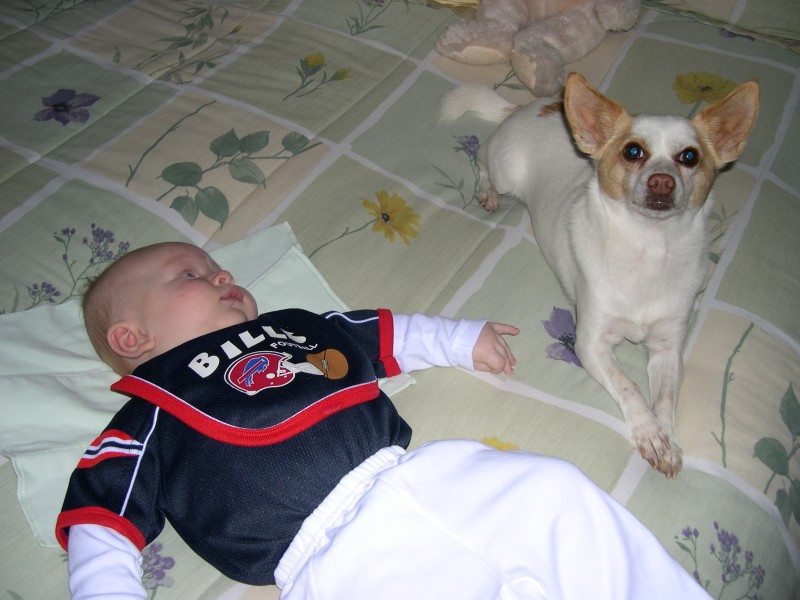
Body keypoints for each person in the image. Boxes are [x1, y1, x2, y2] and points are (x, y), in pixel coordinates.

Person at [56, 241, 710, 600]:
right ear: (132, 336)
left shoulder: (290, 330)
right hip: (325, 559)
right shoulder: (148, 416)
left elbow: (374, 331)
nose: (222, 272)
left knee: (555, 494)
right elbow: (101, 531)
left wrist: (458, 339)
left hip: (429, 475)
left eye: (217, 265)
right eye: (191, 274)